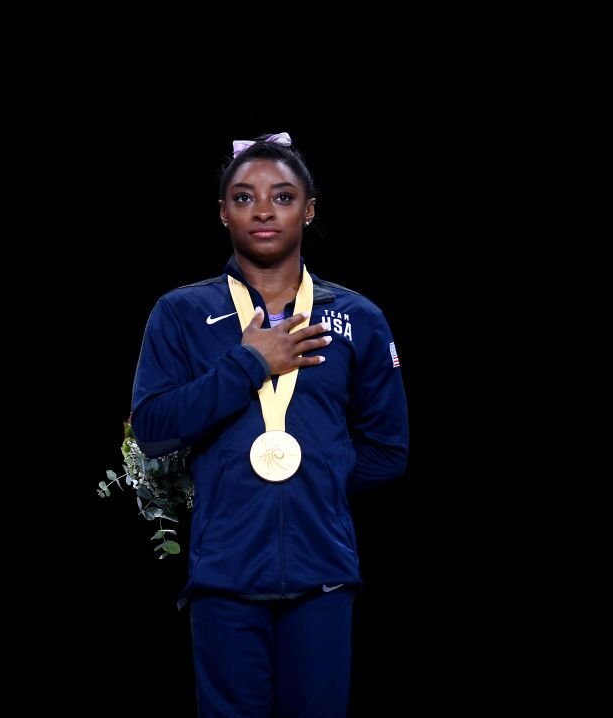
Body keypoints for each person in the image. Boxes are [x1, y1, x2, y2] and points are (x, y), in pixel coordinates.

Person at [129, 132, 409, 717]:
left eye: (282, 196)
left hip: (323, 575)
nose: (262, 210)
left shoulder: (357, 317)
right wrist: (249, 363)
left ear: (308, 209)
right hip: (224, 575)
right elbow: (152, 427)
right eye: (243, 197)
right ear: (222, 213)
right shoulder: (180, 312)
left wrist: (312, 480)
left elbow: (387, 450)